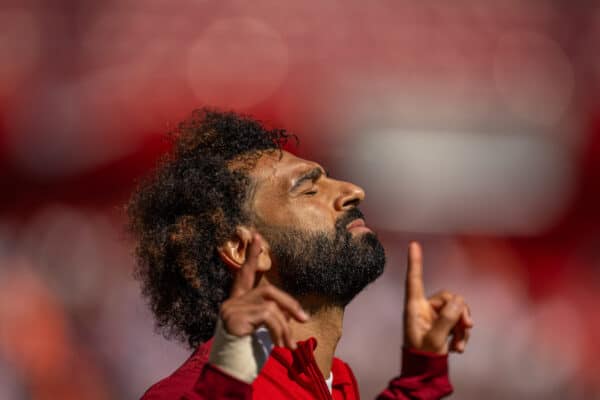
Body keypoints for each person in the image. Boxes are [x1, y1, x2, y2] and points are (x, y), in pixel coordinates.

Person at [127, 108, 473, 399]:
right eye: (307, 189)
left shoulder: (333, 379)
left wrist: (420, 374)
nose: (353, 191)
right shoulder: (191, 391)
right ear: (243, 247)